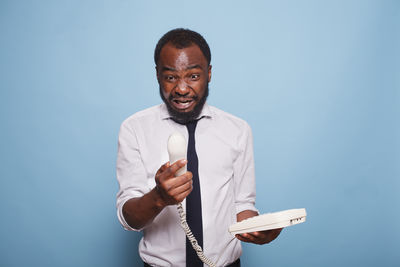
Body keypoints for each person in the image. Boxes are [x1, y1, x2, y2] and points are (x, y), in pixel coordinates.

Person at [116, 28, 282, 267]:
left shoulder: (238, 130)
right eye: (171, 77)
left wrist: (259, 230)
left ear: (209, 74)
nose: (182, 88)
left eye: (193, 76)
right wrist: (159, 198)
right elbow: (128, 218)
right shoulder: (134, 129)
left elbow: (243, 205)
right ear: (157, 75)